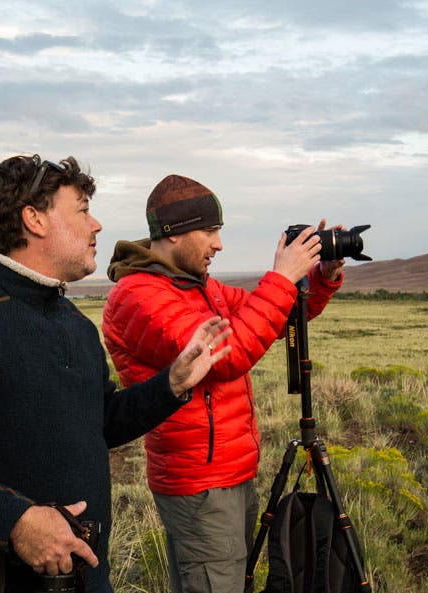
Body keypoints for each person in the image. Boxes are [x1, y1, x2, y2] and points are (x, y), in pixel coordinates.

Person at [0, 155, 233, 593]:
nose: (97, 225)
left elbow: (99, 421)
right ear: (34, 219)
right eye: (82, 209)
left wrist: (171, 385)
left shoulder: (74, 323)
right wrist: (17, 523)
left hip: (86, 579)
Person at [101, 174, 344, 593]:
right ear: (175, 234)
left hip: (229, 473)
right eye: (210, 231)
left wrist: (317, 277)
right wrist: (281, 277)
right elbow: (228, 358)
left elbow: (276, 314)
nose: (219, 244)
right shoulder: (139, 296)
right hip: (199, 483)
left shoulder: (199, 289)